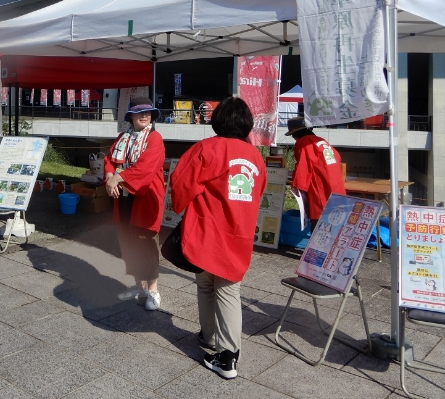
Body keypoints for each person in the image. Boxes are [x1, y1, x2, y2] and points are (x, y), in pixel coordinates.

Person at [170, 97, 266, 381]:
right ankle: (213, 340)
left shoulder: (205, 148)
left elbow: (180, 183)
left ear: (218, 120)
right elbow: (257, 193)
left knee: (210, 287)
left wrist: (181, 206)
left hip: (207, 230)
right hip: (239, 231)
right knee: (225, 286)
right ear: (246, 124)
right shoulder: (255, 155)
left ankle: (226, 356)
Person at [104, 97, 165, 311]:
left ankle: (154, 290)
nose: (144, 115)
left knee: (146, 242)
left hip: (146, 197)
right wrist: (111, 176)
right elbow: (110, 160)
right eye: (140, 113)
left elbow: (146, 168)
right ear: (130, 116)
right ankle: (139, 285)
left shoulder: (154, 138)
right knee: (128, 241)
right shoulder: (123, 137)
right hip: (125, 198)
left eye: (148, 112)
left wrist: (117, 179)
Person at [286, 116, 345, 230]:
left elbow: (303, 166)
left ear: (296, 133)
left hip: (320, 186)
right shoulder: (321, 140)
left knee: (320, 223)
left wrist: (297, 185)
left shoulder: (303, 142)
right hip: (335, 184)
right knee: (335, 222)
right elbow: (337, 157)